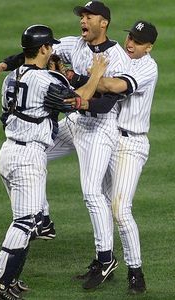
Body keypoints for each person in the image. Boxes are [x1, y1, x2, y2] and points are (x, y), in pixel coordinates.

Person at [0, 23, 108, 300]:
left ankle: (11, 281)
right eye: (51, 46)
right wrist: (97, 73)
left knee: (28, 222)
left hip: (7, 152)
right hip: (28, 158)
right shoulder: (48, 81)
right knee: (25, 222)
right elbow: (78, 100)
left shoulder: (12, 76)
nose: (53, 50)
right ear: (43, 49)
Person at [65, 20, 158, 294]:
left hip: (130, 144)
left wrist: (80, 78)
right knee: (100, 202)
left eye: (138, 42)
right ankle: (102, 260)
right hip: (108, 135)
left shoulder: (146, 67)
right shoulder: (124, 55)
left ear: (149, 47)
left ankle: (136, 272)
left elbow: (114, 87)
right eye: (130, 37)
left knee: (120, 209)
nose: (130, 43)